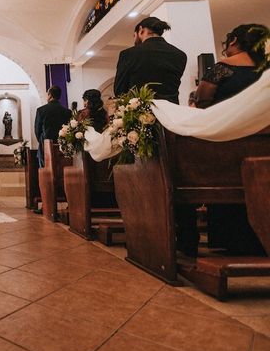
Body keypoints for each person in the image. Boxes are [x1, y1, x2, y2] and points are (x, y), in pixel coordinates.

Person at [183, 24, 269, 257]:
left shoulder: (222, 69)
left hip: (228, 143)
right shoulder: (265, 70)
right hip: (263, 145)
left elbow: (201, 102)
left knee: (224, 179)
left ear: (233, 41)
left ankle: (228, 239)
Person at [114, 17, 187, 104]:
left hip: (140, 113)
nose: (134, 39)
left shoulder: (129, 54)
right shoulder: (180, 55)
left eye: (134, 35)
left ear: (141, 30)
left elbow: (119, 91)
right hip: (170, 112)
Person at [34, 85, 71, 167]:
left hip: (45, 145)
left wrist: (42, 140)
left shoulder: (41, 110)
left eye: (47, 94)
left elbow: (37, 130)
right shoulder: (67, 112)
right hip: (62, 147)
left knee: (45, 170)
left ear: (50, 95)